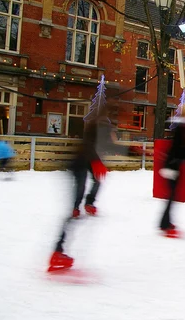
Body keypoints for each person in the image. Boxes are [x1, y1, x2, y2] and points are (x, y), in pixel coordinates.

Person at [48, 105, 140, 272]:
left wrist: (133, 150)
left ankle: (87, 203)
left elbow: (110, 147)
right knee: (80, 188)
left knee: (97, 181)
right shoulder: (98, 128)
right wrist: (97, 162)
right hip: (80, 163)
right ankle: (59, 247)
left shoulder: (102, 129)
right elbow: (90, 147)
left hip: (89, 161)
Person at [158, 103, 185, 238]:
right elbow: (182, 148)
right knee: (172, 196)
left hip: (174, 165)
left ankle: (165, 223)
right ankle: (165, 224)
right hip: (172, 166)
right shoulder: (183, 127)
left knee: (172, 196)